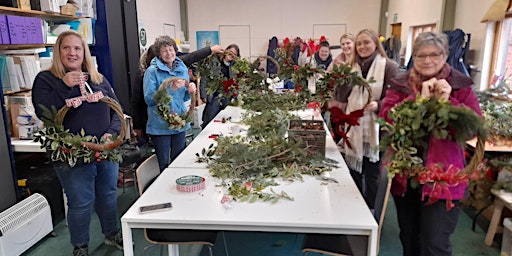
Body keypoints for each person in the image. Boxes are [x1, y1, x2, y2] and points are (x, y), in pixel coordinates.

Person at [379, 31, 481, 256]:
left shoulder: (459, 84)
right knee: (409, 237)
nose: (427, 61)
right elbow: (386, 116)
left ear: (445, 55)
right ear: (413, 57)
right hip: (406, 176)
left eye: (434, 55)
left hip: (443, 178)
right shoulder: (402, 83)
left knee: (435, 243)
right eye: (421, 55)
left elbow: (474, 127)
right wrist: (418, 100)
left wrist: (450, 103)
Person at [31, 30, 123, 256]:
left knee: (108, 194)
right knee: (81, 202)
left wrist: (111, 133)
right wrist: (64, 86)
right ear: (58, 52)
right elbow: (45, 113)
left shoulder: (98, 78)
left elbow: (116, 110)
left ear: (85, 53)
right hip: (72, 153)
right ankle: (80, 247)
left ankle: (111, 234)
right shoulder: (46, 79)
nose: (72, 53)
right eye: (66, 48)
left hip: (105, 150)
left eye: (77, 48)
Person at [331, 28, 399, 210]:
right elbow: (341, 97)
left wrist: (379, 104)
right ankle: (353, 208)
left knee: (372, 171)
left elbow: (397, 98)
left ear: (376, 43)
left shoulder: (388, 66)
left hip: (377, 129)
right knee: (353, 169)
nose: (362, 47)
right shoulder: (350, 67)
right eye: (359, 43)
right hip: (353, 126)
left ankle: (371, 211)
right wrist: (343, 79)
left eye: (366, 42)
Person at [131, 44, 222, 145]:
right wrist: (137, 125)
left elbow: (191, 57)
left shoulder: (175, 67)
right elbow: (138, 101)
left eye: (170, 51)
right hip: (153, 119)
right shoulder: (147, 73)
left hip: (176, 119)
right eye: (164, 52)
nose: (168, 55)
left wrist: (189, 91)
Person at [143, 35, 197, 171]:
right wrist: (171, 89)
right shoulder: (152, 72)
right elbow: (149, 99)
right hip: (160, 126)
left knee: (179, 161)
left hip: (179, 122)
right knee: (164, 165)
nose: (169, 53)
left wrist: (190, 91)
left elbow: (183, 98)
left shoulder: (182, 69)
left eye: (171, 49)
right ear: (159, 54)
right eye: (164, 51)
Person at [200, 44, 240, 128]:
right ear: (226, 51)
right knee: (210, 118)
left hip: (227, 96)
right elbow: (204, 77)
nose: (231, 55)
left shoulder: (235, 66)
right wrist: (203, 94)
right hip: (214, 95)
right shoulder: (214, 61)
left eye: (234, 54)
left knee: (225, 119)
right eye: (230, 52)